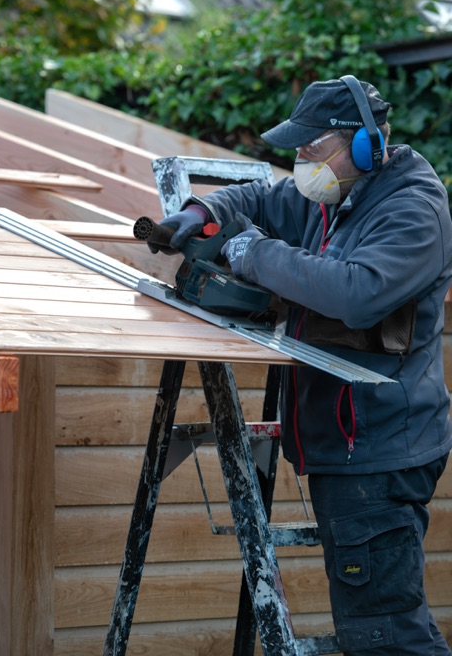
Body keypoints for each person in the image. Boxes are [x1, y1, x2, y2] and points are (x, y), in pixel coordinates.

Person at [148, 76, 452, 655]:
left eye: (311, 150)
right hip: (348, 445)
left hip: (380, 451)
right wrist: (202, 210)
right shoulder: (335, 193)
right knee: (383, 623)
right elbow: (262, 200)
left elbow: (355, 292)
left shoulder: (413, 210)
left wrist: (251, 252)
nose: (300, 163)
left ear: (362, 145)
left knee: (385, 636)